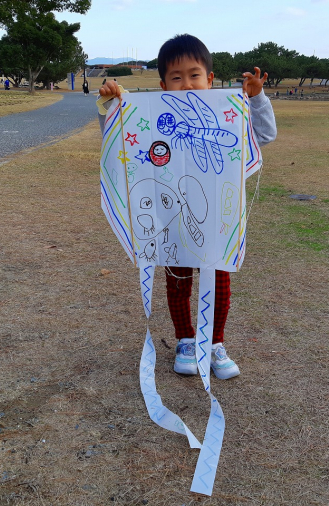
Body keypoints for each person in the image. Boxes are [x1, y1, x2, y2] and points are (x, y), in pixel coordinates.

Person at [99, 34, 276, 379]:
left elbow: (264, 136)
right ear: (163, 84)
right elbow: (120, 139)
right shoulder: (153, 114)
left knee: (219, 281)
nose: (186, 84)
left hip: (217, 221)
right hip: (171, 219)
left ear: (210, 79)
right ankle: (185, 340)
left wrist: (257, 99)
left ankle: (214, 343)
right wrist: (113, 104)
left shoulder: (227, 112)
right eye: (176, 78)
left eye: (194, 75)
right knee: (178, 283)